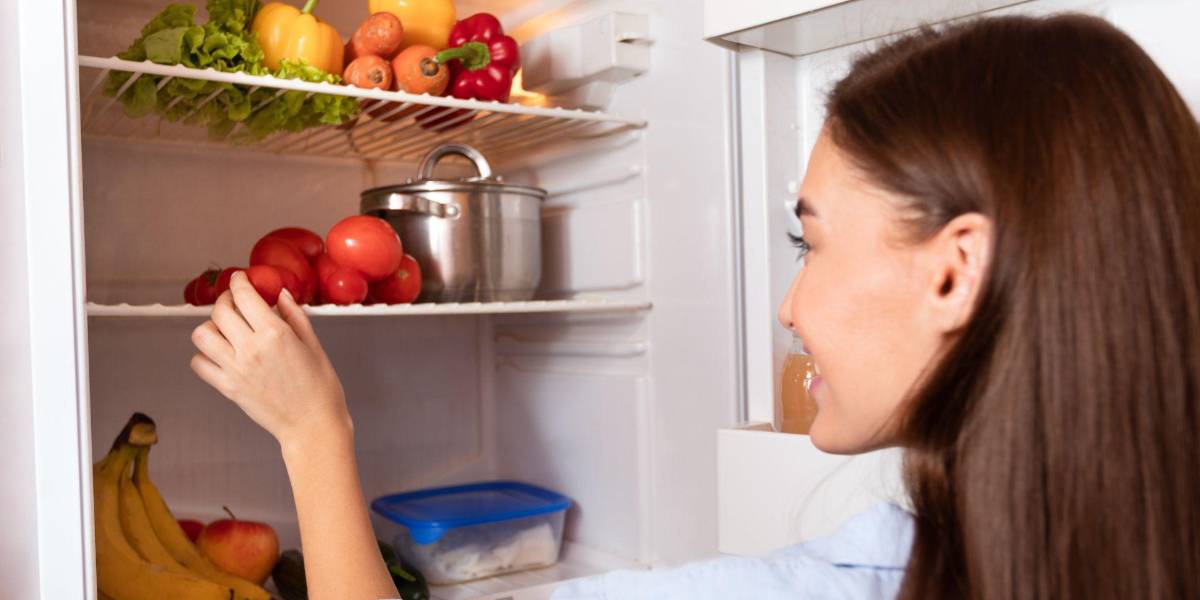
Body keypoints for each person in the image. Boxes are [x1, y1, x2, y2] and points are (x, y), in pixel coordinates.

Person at [189, 12, 1200, 600]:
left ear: (954, 272)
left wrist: (311, 429)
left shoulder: (856, 578)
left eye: (810, 242)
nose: (789, 308)